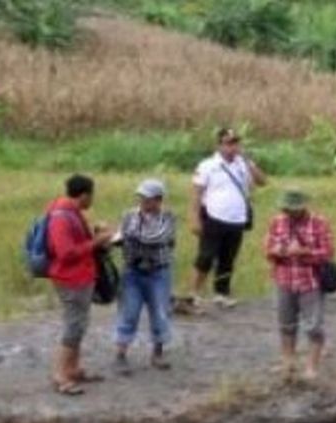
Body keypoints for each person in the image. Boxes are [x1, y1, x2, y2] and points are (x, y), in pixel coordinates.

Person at [47, 174, 113, 395]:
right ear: (84, 195)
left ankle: (72, 369)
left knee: (80, 324)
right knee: (73, 326)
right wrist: (97, 241)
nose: (93, 199)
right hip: (70, 279)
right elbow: (66, 253)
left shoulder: (72, 214)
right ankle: (60, 375)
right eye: (92, 195)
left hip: (80, 278)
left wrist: (95, 235)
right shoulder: (62, 217)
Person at [189, 127, 267, 308]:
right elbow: (196, 193)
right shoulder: (208, 165)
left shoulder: (243, 164)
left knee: (228, 258)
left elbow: (262, 181)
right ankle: (194, 293)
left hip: (237, 218)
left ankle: (221, 293)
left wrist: (248, 162)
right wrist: (194, 218)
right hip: (214, 216)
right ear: (219, 145)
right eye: (229, 143)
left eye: (236, 143)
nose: (233, 147)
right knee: (206, 257)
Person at [264, 188, 334, 381]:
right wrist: (276, 251)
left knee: (313, 326)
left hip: (310, 282)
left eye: (293, 209)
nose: (289, 212)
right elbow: (267, 250)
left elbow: (327, 253)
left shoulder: (319, 223)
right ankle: (288, 362)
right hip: (284, 280)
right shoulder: (277, 222)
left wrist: (303, 252)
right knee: (286, 324)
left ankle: (312, 367)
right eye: (287, 209)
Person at [114, 179, 175, 374]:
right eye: (142, 198)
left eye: (147, 199)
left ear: (158, 199)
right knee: (128, 312)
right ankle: (121, 354)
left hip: (158, 271)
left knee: (159, 312)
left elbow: (156, 237)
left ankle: (157, 353)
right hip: (132, 270)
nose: (143, 202)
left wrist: (127, 235)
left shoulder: (168, 217)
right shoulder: (129, 215)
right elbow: (120, 237)